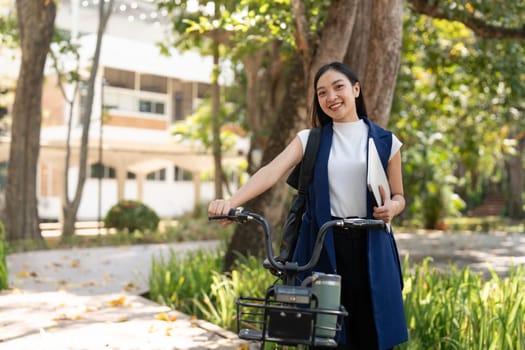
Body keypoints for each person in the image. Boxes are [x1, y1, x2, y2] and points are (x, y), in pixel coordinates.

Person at [208, 62, 408, 349]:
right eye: (321, 92)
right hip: (323, 246)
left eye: (338, 87)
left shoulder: (387, 141)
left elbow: (399, 195)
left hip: (372, 247)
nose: (331, 97)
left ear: (355, 89)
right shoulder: (310, 139)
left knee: (372, 335)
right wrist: (231, 203)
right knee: (323, 336)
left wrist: (393, 207)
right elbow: (270, 171)